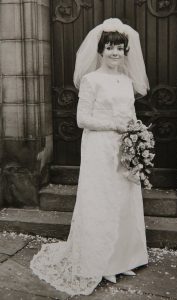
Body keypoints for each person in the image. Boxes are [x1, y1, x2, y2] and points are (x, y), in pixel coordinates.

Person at [30, 18, 149, 297]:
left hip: (123, 147)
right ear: (100, 51)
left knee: (123, 199)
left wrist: (136, 138)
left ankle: (124, 258)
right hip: (99, 147)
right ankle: (101, 261)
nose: (115, 53)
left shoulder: (126, 80)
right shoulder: (91, 79)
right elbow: (82, 119)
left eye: (119, 48)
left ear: (125, 51)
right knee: (101, 199)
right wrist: (115, 126)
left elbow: (131, 116)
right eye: (109, 48)